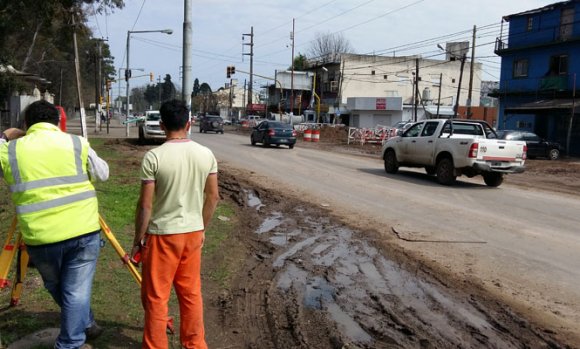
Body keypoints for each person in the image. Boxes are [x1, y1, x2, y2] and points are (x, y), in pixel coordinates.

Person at [0, 100, 109, 349]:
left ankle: (77, 334)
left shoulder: (12, 150)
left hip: (40, 237)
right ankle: (76, 336)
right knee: (75, 291)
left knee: (58, 286)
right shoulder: (75, 143)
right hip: (82, 231)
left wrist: (6, 134)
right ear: (56, 122)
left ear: (26, 124)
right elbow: (103, 173)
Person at [132, 99, 219, 349]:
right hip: (192, 234)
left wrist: (138, 238)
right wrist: (201, 227)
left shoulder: (154, 157)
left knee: (157, 297)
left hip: (162, 236)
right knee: (191, 294)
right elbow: (212, 196)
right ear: (189, 124)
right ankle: (195, 344)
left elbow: (146, 205)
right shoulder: (206, 154)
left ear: (162, 125)